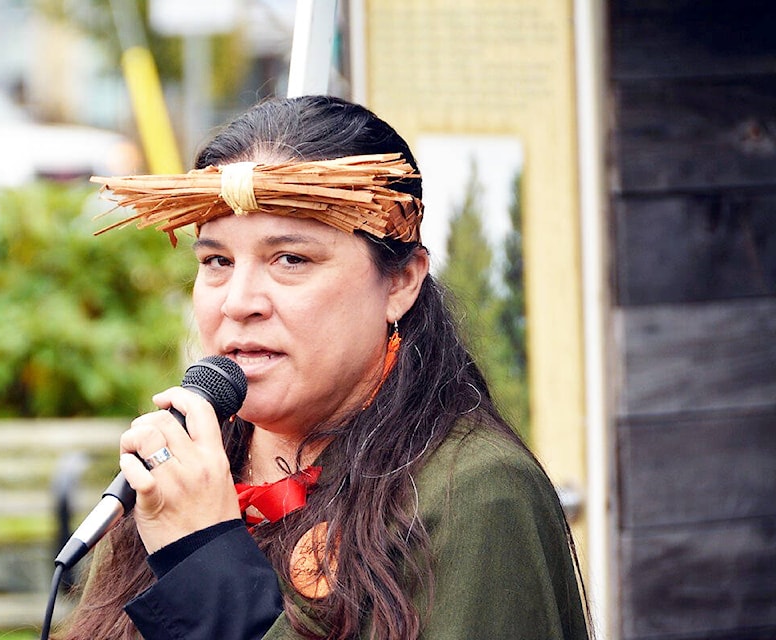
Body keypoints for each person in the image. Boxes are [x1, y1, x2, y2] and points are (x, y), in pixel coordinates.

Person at [57, 95, 590, 640]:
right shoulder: (184, 468)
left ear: (402, 281)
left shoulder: (475, 493)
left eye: (291, 259)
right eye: (217, 261)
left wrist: (203, 558)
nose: (238, 301)